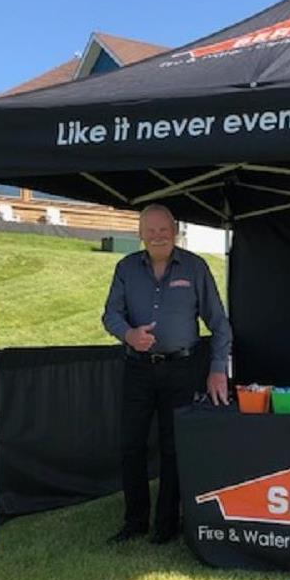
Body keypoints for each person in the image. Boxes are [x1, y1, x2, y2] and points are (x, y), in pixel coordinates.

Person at [102, 203, 232, 544]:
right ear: (140, 234)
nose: (158, 235)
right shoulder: (126, 268)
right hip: (137, 370)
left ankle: (167, 524)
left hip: (182, 369)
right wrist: (129, 335)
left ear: (174, 231)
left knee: (174, 447)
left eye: (164, 229)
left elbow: (219, 325)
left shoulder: (195, 267)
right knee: (131, 446)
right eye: (151, 230)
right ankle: (135, 522)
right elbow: (110, 315)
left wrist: (218, 370)